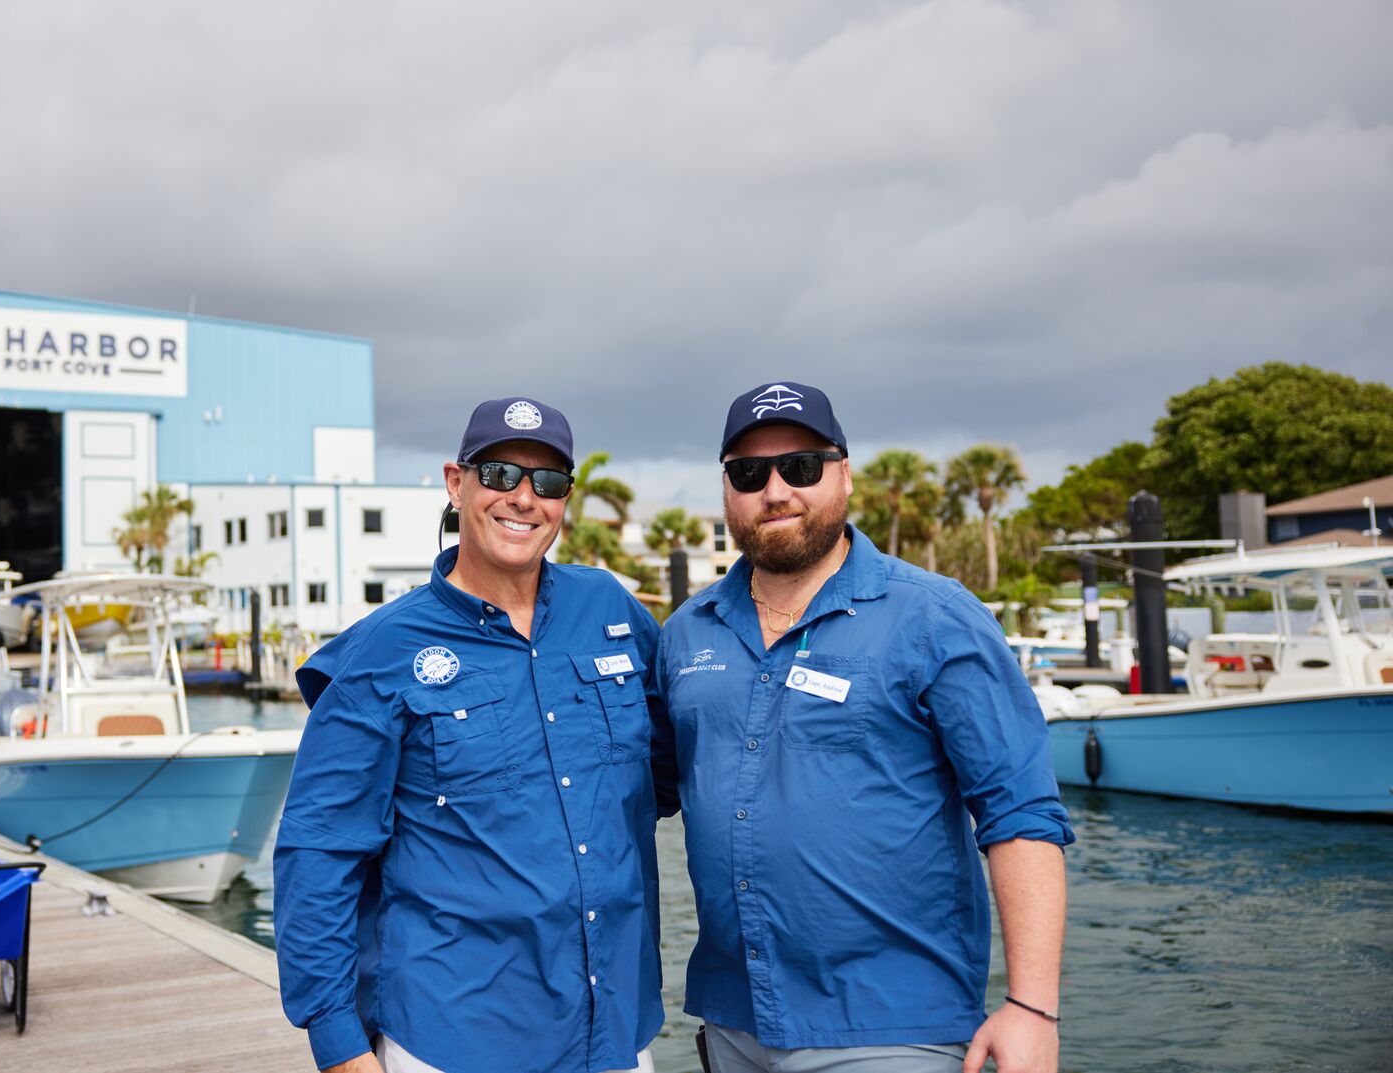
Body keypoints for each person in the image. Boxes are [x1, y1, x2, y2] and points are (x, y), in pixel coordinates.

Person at [658, 382, 1072, 1073]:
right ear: (727, 489)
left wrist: (1032, 1006)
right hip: (731, 1020)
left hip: (890, 1024)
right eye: (750, 472)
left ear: (844, 473)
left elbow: (1020, 810)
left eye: (803, 466)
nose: (776, 489)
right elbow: (643, 790)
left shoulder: (936, 616)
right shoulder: (683, 634)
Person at [275, 398, 671, 1073]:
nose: (522, 498)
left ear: (565, 499)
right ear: (456, 481)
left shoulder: (612, 610)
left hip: (616, 1029)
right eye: (499, 474)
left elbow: (668, 768)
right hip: (453, 1038)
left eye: (546, 482)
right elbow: (318, 852)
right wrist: (340, 1045)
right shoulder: (379, 651)